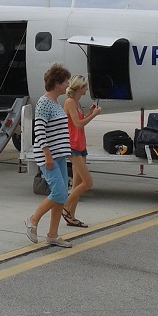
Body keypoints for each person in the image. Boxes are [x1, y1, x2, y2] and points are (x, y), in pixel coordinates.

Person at [25, 64, 73, 248]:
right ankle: (33, 220)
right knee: (59, 193)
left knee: (61, 197)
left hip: (59, 155)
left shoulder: (55, 102)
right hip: (49, 155)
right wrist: (47, 155)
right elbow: (39, 130)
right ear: (57, 83)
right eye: (65, 81)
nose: (67, 85)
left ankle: (53, 234)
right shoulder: (45, 103)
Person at [62, 75, 101, 228]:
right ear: (79, 88)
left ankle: (71, 216)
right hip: (73, 146)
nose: (87, 89)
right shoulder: (70, 102)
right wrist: (94, 115)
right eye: (85, 87)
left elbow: (78, 121)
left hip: (80, 145)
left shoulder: (77, 102)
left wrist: (90, 113)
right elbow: (78, 125)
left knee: (78, 183)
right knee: (87, 182)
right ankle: (65, 206)